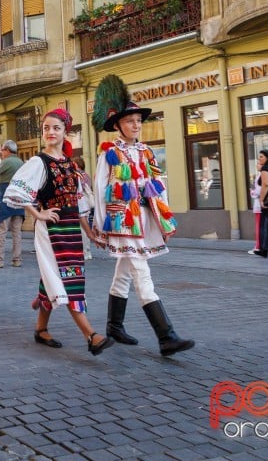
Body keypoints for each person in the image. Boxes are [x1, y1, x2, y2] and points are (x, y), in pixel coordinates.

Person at [90, 75, 194, 357]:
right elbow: (100, 188)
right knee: (141, 271)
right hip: (123, 220)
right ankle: (166, 335)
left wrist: (165, 215)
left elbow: (157, 184)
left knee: (124, 272)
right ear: (118, 125)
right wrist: (100, 226)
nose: (135, 125)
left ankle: (114, 326)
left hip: (145, 218)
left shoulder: (147, 151)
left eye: (138, 121)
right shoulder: (110, 153)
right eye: (130, 121)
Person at [4, 109, 114, 356]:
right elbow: (16, 192)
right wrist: (38, 214)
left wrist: (91, 233)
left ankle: (41, 328)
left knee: (56, 277)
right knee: (67, 279)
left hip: (71, 229)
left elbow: (78, 204)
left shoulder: (70, 164)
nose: (51, 132)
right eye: (46, 128)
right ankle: (91, 336)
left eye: (56, 128)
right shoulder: (38, 162)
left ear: (65, 132)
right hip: (51, 230)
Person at [0, 139, 25, 268]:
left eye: (2, 150)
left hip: (6, 198)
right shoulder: (20, 162)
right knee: (17, 232)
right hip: (19, 199)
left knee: (1, 230)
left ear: (7, 150)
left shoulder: (6, 162)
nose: (1, 152)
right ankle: (17, 259)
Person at [73, 156, 95, 260]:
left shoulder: (78, 175)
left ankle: (84, 251)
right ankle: (87, 250)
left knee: (82, 229)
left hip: (81, 203)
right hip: (86, 204)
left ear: (77, 165)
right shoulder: (86, 175)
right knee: (84, 227)